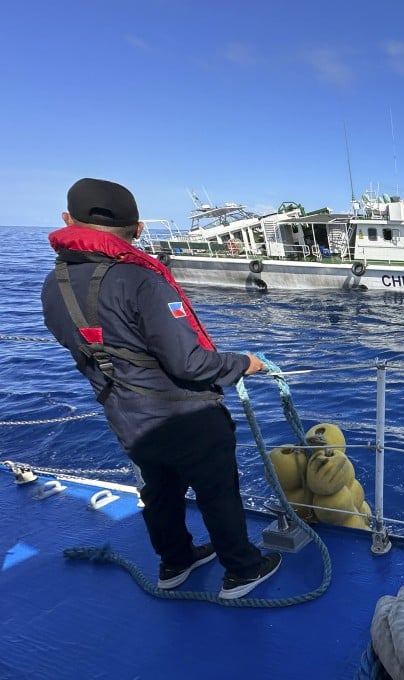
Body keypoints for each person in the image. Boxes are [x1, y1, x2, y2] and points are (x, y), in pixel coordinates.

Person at [41, 178, 281, 600]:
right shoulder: (141, 280)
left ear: (67, 221)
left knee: (159, 490)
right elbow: (191, 362)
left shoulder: (53, 286)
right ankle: (242, 570)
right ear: (136, 230)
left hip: (126, 415)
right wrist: (246, 363)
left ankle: (175, 562)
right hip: (186, 416)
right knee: (217, 490)